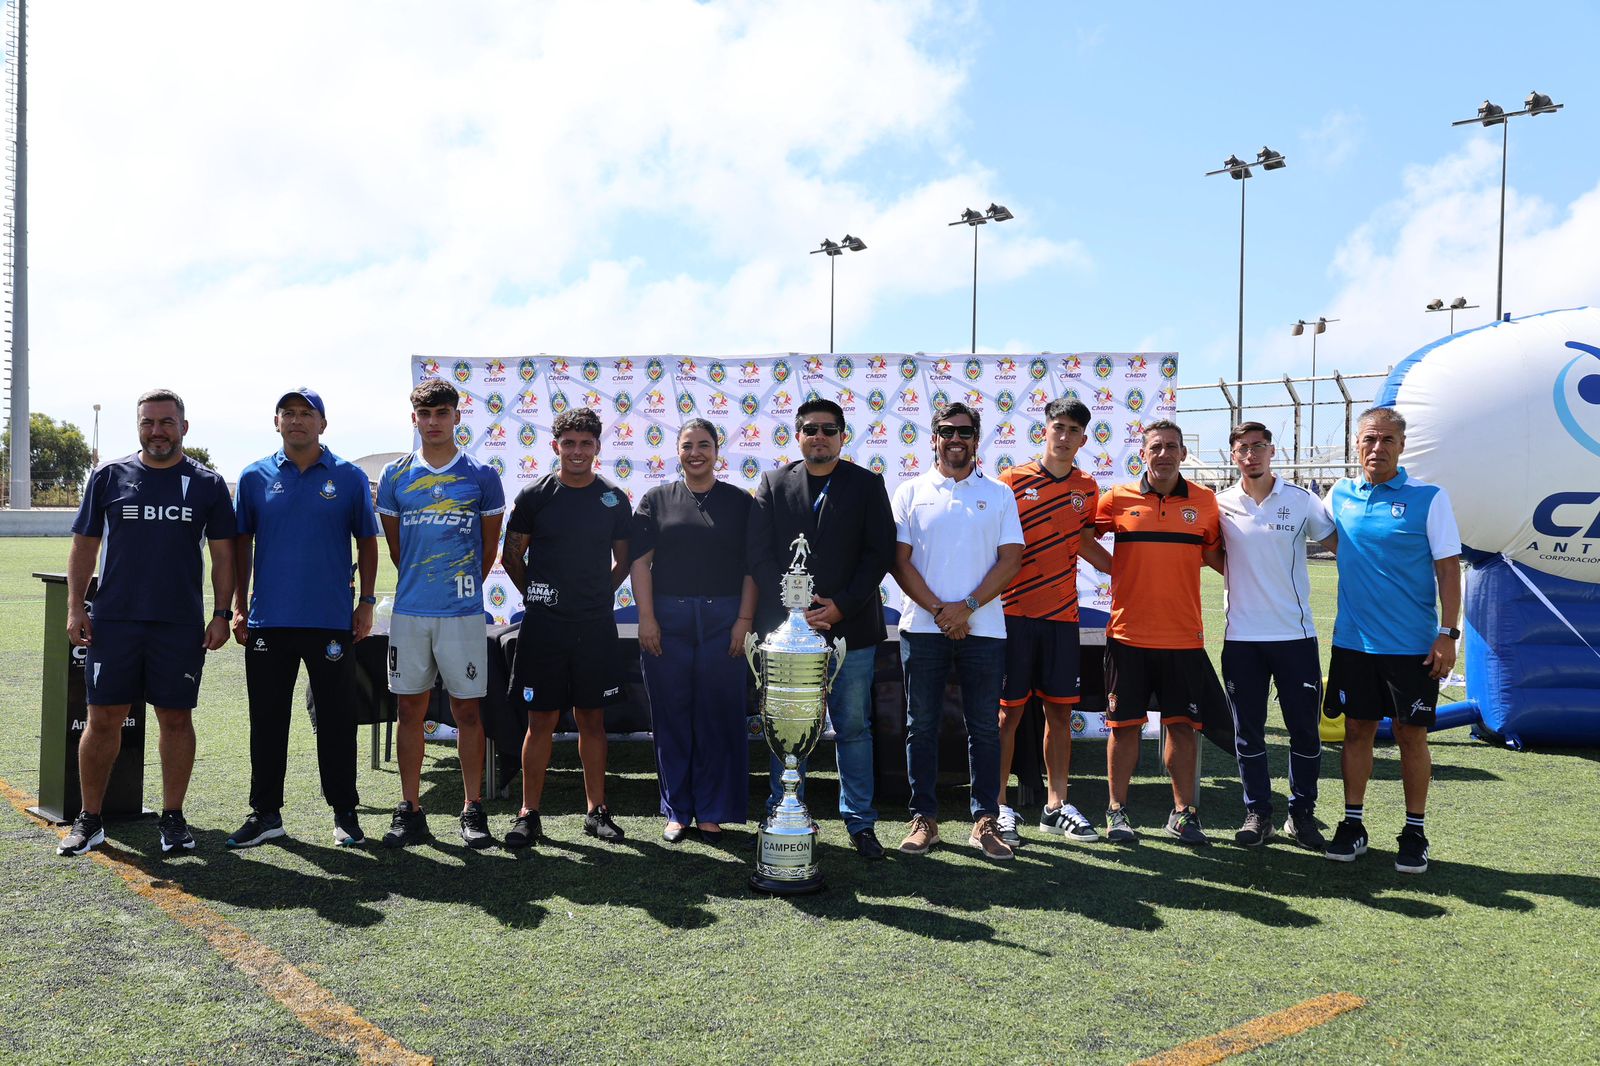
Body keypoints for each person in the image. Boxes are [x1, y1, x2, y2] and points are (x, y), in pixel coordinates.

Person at [58, 389, 236, 856]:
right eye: (148, 422)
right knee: (102, 720)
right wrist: (77, 607)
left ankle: (172, 819)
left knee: (175, 719)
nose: (157, 430)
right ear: (138, 426)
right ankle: (90, 818)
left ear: (184, 427)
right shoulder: (109, 476)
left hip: (177, 625)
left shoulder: (207, 484)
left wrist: (221, 612)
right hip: (114, 622)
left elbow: (223, 555)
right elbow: (84, 546)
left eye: (166, 422)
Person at [226, 388, 381, 849]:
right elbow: (240, 545)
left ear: (322, 424)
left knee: (337, 719)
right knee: (267, 720)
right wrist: (238, 606)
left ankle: (345, 813)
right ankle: (265, 813)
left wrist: (367, 602)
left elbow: (368, 543)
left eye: (306, 414)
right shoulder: (254, 477)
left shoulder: (349, 477)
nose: (297, 421)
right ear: (276, 422)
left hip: (331, 621)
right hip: (268, 620)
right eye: (288, 413)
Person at [747, 398, 896, 860]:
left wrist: (840, 607)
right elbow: (757, 552)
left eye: (829, 429)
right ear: (798, 435)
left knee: (853, 726)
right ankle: (782, 810)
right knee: (788, 724)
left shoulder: (867, 485)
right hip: (789, 632)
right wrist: (795, 608)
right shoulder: (772, 483)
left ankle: (860, 822)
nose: (820, 436)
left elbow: (880, 552)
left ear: (842, 435)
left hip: (849, 628)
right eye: (810, 429)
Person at [1322, 406, 1461, 875]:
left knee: (1410, 736)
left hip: (1412, 647)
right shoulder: (1339, 494)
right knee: (1357, 731)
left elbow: (1447, 568)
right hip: (1353, 643)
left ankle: (1414, 831)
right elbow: (1329, 540)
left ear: (1402, 446)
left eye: (1386, 440)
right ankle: (1353, 823)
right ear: (1356, 445)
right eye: (1368, 440)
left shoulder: (1430, 497)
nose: (1376, 448)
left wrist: (1447, 633)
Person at [375, 380, 505, 849]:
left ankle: (472, 808)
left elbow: (489, 548)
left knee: (467, 710)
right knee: (408, 709)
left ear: (456, 416)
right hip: (410, 612)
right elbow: (396, 547)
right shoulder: (395, 475)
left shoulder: (481, 475)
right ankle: (410, 808)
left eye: (441, 413)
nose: (433, 421)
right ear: (414, 418)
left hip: (462, 613)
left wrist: (459, 586)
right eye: (424, 414)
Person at [891, 402, 1023, 861]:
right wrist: (938, 610)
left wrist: (965, 608)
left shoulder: (1000, 494)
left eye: (965, 432)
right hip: (922, 627)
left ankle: (985, 820)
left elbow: (1011, 559)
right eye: (947, 431)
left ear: (976, 439)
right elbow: (899, 561)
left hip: (984, 628)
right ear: (933, 438)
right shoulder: (909, 492)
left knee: (984, 728)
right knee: (920, 726)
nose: (956, 439)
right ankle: (924, 819)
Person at [501, 407, 633, 847]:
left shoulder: (614, 498)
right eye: (569, 443)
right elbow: (511, 558)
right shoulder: (534, 496)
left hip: (594, 625)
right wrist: (536, 595)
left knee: (592, 720)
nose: (577, 451)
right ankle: (528, 814)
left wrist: (600, 595)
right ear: (555, 445)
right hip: (544, 627)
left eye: (586, 443)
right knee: (540, 722)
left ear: (598, 447)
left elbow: (625, 559)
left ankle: (597, 812)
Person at [1094, 420, 1224, 845]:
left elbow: (1219, 557)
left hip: (1183, 638)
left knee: (1182, 727)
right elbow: (1079, 537)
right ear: (1142, 454)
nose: (1164, 454)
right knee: (1123, 727)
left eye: (1172, 447)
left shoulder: (1206, 503)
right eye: (1156, 447)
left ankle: (1183, 813)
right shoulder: (1117, 498)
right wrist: (1118, 568)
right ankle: (1117, 812)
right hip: (1128, 636)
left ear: (1183, 454)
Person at [631, 419, 757, 844]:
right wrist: (646, 618)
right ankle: (677, 810)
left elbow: (752, 567)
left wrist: (744, 621)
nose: (695, 452)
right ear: (677, 451)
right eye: (688, 445)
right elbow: (639, 564)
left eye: (704, 445)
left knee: (720, 716)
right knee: (672, 717)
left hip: (725, 620)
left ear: (718, 451)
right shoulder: (655, 500)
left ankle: (713, 810)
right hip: (668, 619)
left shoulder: (741, 502)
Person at [994, 398, 1112, 847]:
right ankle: (999, 805)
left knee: (1059, 712)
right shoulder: (1011, 482)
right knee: (1008, 715)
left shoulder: (1087, 485)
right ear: (1044, 430)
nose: (1064, 437)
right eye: (1057, 427)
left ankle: (1055, 805)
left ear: (1085, 439)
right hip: (1013, 615)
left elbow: (1083, 541)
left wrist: (1122, 572)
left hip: (1063, 616)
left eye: (1073, 431)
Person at [1216, 421, 1336, 850]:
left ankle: (1301, 814)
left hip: (1295, 636)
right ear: (1233, 455)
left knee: (1304, 730)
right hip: (1242, 638)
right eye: (1243, 448)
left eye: (1259, 447)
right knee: (1248, 731)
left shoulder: (1303, 501)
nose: (1251, 454)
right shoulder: (1219, 504)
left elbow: (1341, 547)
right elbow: (1214, 553)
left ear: (1272, 452)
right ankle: (1259, 813)